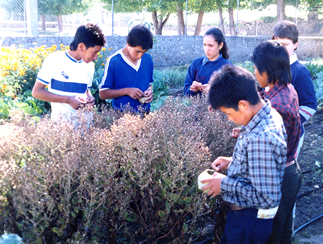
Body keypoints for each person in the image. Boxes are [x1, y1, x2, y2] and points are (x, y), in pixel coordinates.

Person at [201, 65, 287, 244]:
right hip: (247, 218)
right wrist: (232, 161)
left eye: (228, 113)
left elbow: (266, 197)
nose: (229, 119)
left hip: (250, 220)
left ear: (243, 105)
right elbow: (262, 163)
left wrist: (224, 183)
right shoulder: (266, 114)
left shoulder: (261, 137)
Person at [251, 41, 302, 244]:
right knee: (283, 231)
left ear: (267, 70)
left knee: (272, 235)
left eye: (255, 68)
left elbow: (269, 149)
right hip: (290, 171)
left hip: (280, 177)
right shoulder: (285, 89)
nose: (254, 72)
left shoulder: (276, 104)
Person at [32, 23, 106, 122]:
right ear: (81, 47)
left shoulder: (89, 65)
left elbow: (86, 91)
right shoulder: (54, 60)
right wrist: (68, 100)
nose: (96, 57)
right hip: (62, 130)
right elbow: (36, 92)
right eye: (94, 52)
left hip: (86, 128)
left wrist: (90, 99)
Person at [272, 20, 317, 157]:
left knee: (285, 173)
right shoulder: (271, 67)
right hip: (271, 132)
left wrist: (288, 123)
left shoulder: (300, 72)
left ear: (296, 44)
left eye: (285, 44)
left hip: (291, 136)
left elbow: (310, 106)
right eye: (277, 44)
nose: (281, 48)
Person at [99, 25, 154, 114]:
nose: (140, 56)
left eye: (144, 52)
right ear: (128, 44)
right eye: (137, 51)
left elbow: (149, 84)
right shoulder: (114, 61)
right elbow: (103, 93)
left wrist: (149, 91)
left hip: (145, 112)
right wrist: (126, 91)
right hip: (122, 114)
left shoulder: (148, 59)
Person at [183, 27, 232, 96]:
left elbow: (232, 96)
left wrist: (212, 90)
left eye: (210, 46)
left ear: (220, 45)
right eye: (205, 45)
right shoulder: (196, 63)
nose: (207, 49)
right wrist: (193, 89)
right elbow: (186, 92)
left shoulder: (228, 67)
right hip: (194, 106)